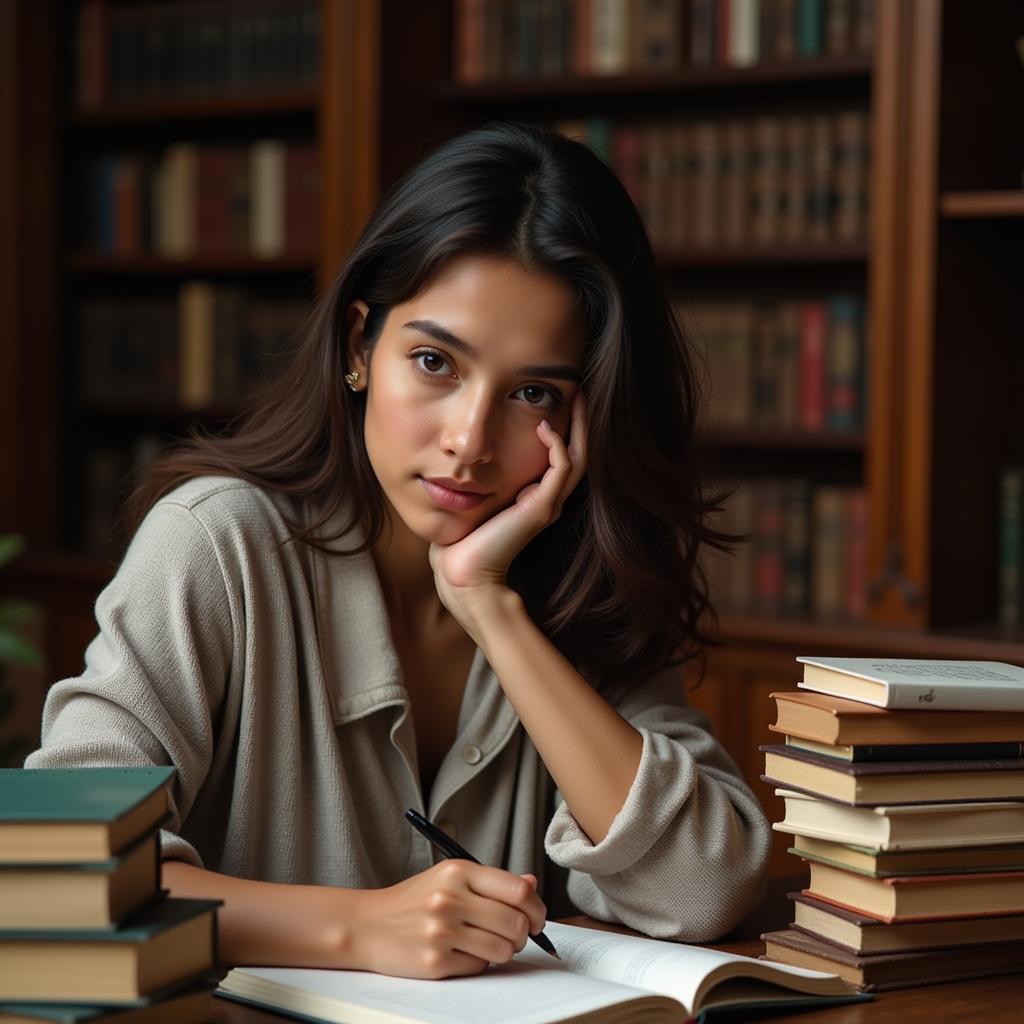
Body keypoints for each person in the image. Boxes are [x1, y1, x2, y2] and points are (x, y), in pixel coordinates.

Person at [26, 121, 770, 978]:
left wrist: (493, 611)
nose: (469, 440)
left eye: (533, 391)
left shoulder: (588, 587)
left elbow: (703, 891)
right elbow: (61, 872)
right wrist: (357, 929)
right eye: (434, 361)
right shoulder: (216, 544)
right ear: (358, 348)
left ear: (588, 413)